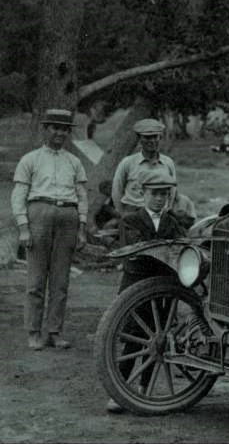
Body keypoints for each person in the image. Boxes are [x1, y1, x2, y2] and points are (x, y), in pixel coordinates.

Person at [107, 167, 186, 413]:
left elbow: (182, 247)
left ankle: (144, 388)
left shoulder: (173, 222)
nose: (160, 199)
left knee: (157, 341)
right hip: (136, 291)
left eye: (164, 194)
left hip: (162, 294)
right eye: (155, 194)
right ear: (143, 194)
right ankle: (119, 390)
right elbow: (136, 254)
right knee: (134, 340)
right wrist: (166, 250)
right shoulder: (130, 221)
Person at [11, 109, 88, 350]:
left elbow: (82, 196)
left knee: (60, 280)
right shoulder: (30, 159)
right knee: (35, 279)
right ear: (45, 129)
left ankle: (54, 331)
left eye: (64, 129)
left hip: (68, 217)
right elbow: (19, 195)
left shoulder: (74, 162)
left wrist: (82, 227)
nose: (60, 133)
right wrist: (24, 228)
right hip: (39, 215)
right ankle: (34, 332)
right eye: (55, 128)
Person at [111, 118, 176, 216]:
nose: (152, 141)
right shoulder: (128, 163)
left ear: (160, 137)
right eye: (147, 137)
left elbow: (172, 190)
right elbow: (117, 190)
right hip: (133, 212)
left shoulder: (168, 163)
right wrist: (123, 214)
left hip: (158, 214)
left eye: (155, 137)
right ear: (139, 139)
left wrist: (167, 209)